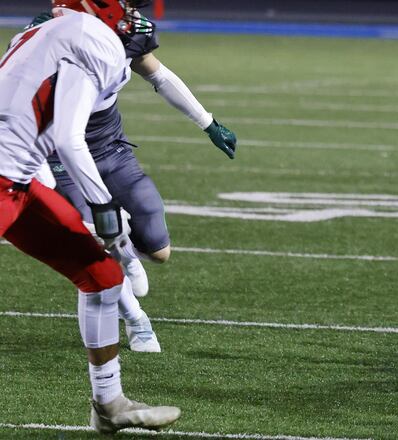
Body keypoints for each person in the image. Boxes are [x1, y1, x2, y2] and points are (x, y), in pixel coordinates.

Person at [0, 0, 180, 433]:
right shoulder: (96, 38)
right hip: (5, 177)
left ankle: (109, 403)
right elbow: (67, 136)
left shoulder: (45, 31)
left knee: (101, 275)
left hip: (18, 179)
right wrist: (103, 208)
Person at [26, 0, 238, 352]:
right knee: (94, 236)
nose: (127, 10)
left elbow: (158, 74)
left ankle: (125, 247)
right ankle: (137, 320)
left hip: (110, 147)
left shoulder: (126, 30)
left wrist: (208, 122)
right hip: (59, 151)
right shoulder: (50, 36)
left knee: (159, 250)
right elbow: (54, 128)